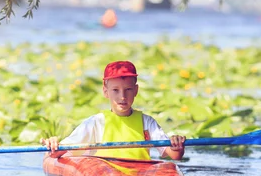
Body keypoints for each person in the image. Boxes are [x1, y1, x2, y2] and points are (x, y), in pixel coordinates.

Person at [40, 60, 185, 160]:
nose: (122, 96)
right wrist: (53, 145)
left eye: (128, 90)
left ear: (136, 90)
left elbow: (174, 155)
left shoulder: (147, 122)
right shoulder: (96, 123)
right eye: (115, 90)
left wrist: (177, 146)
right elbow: (58, 153)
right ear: (106, 92)